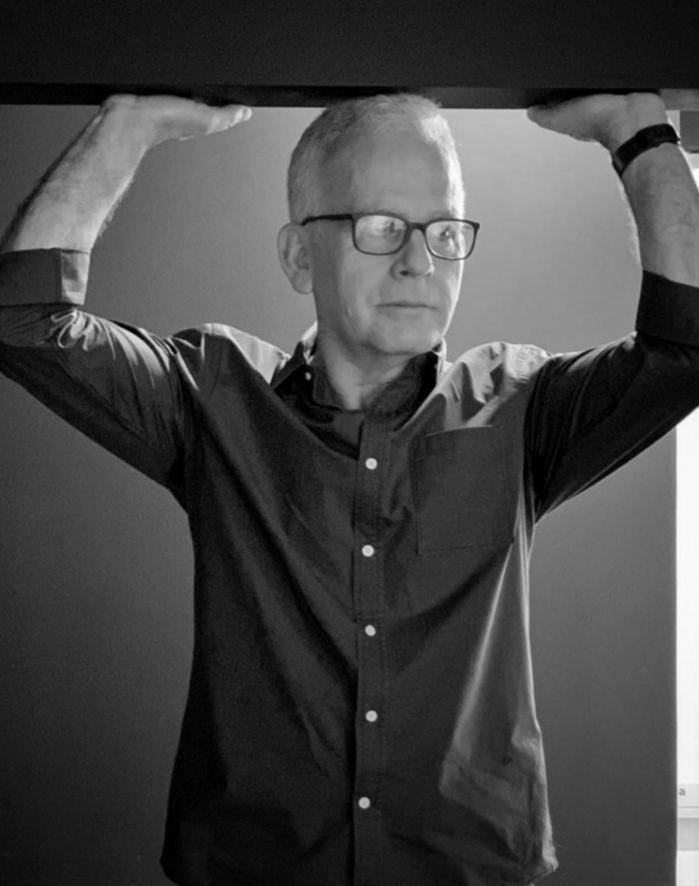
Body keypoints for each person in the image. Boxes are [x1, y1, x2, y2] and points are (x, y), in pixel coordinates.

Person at [0, 90, 698, 886]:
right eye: (380, 226)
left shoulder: (520, 406)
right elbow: (23, 318)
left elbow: (686, 348)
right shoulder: (211, 400)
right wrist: (129, 126)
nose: (418, 262)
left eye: (443, 231)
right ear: (299, 256)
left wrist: (634, 131)